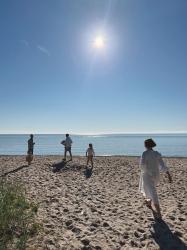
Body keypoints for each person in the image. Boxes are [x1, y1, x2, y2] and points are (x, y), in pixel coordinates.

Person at [139, 138, 172, 219]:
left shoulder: (145, 153)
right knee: (149, 189)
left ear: (146, 145)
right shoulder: (157, 153)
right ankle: (148, 203)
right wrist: (168, 174)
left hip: (147, 175)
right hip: (156, 176)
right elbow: (162, 165)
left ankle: (159, 213)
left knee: (152, 192)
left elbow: (142, 166)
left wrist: (145, 171)